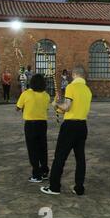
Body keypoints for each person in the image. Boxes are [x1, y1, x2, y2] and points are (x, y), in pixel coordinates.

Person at [40, 66, 92, 196]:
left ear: (74, 75)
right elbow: (73, 108)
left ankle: (54, 187)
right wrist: (59, 109)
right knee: (80, 158)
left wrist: (56, 104)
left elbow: (67, 107)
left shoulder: (71, 87)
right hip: (82, 126)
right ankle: (79, 187)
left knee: (60, 157)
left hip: (70, 126)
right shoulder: (87, 90)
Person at [16, 74, 51, 183]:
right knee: (42, 147)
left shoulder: (26, 94)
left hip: (30, 124)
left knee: (32, 149)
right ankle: (44, 171)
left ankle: (36, 174)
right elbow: (46, 108)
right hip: (42, 124)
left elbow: (18, 108)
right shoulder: (46, 95)